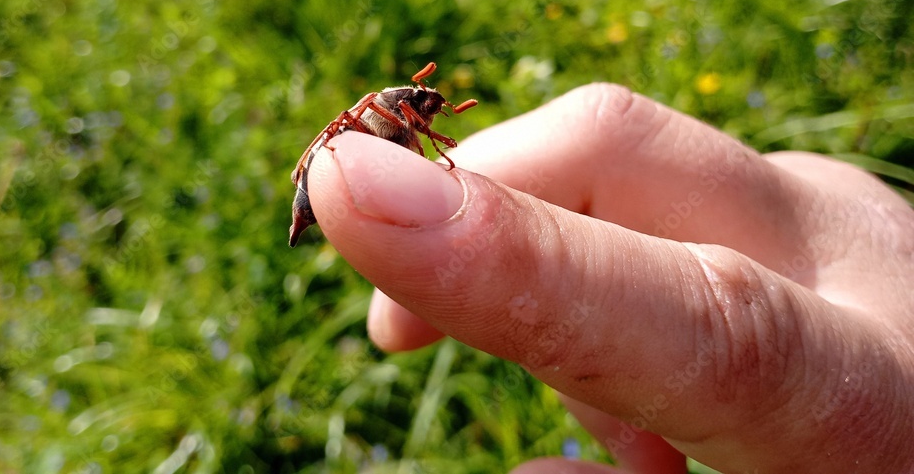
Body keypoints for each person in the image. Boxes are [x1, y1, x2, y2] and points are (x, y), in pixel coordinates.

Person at [305, 83, 914, 473]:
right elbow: (383, 124)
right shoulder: (382, 112)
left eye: (429, 105)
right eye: (426, 102)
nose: (431, 107)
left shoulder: (401, 116)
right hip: (328, 167)